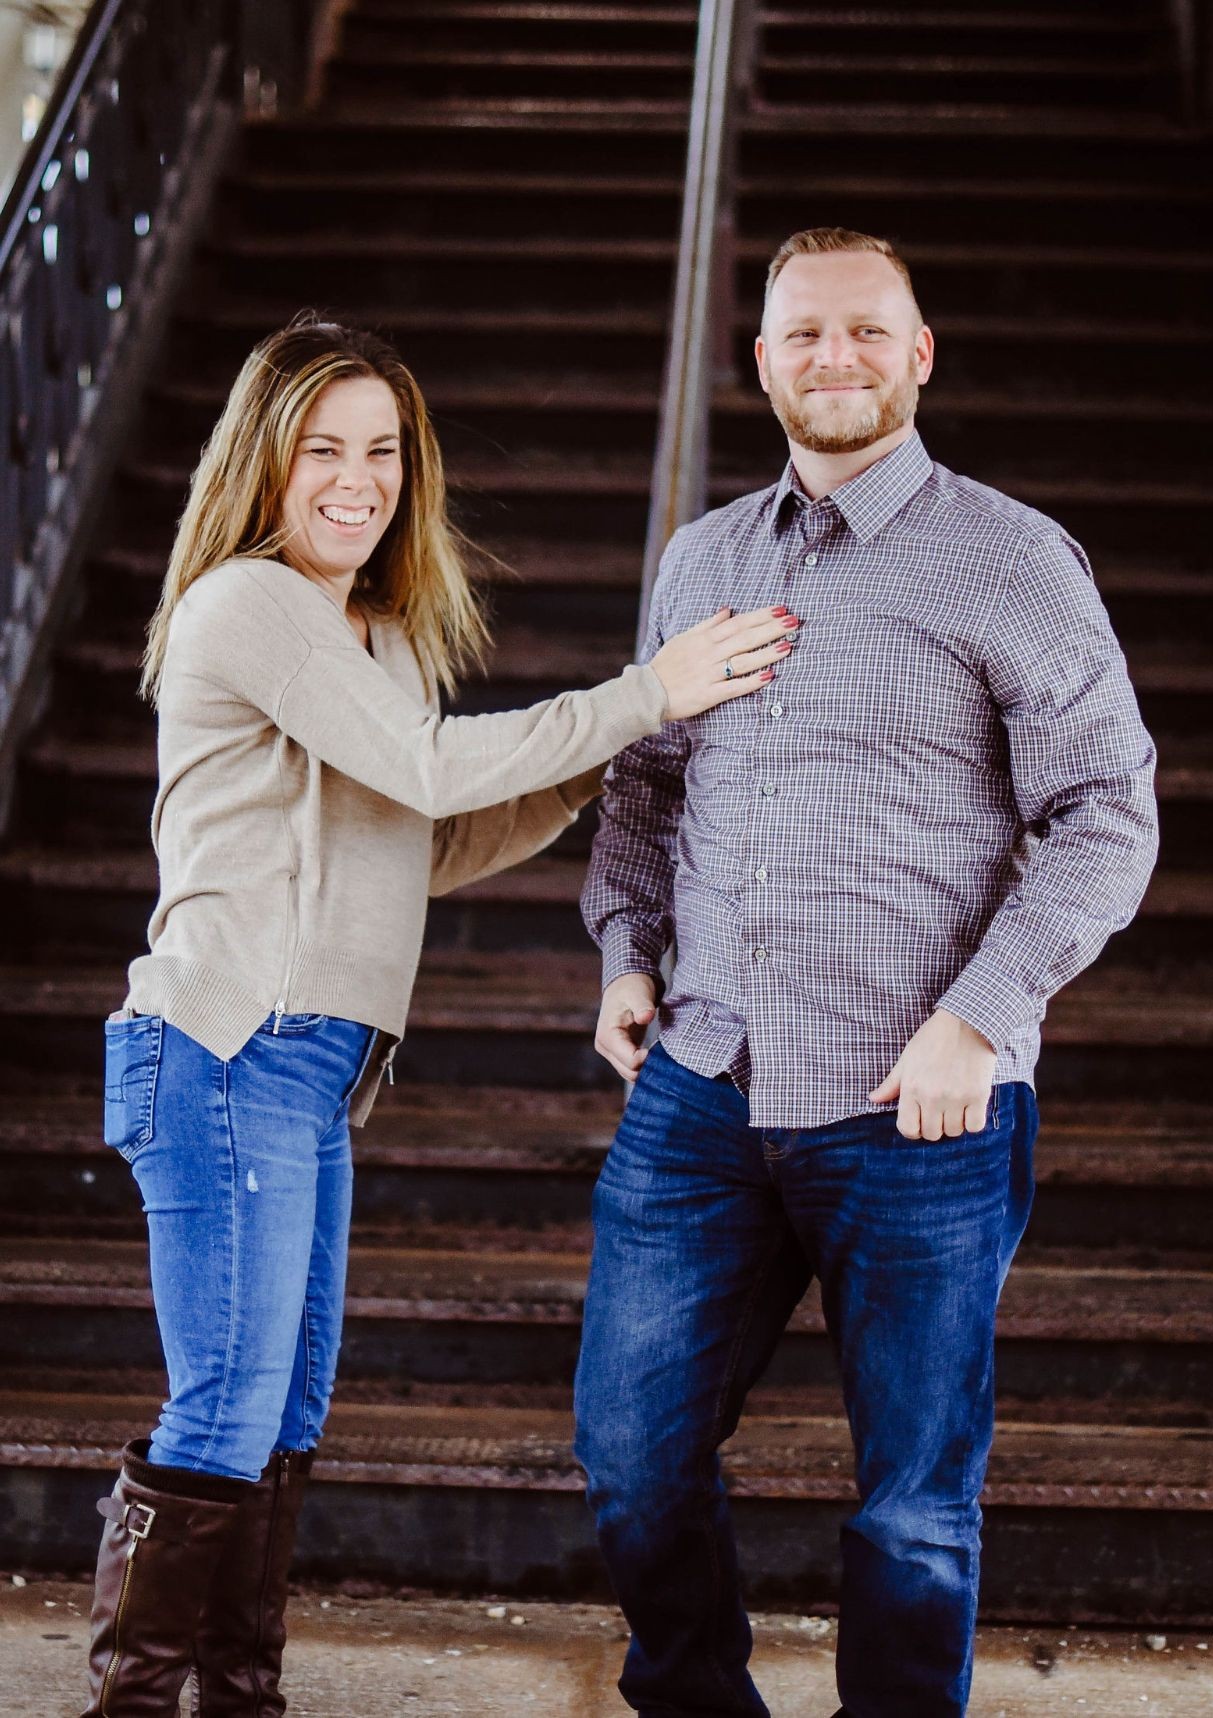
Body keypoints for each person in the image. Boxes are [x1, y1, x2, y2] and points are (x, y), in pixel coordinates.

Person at [82, 315, 793, 1717]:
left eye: (382, 451)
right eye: (322, 449)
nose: (357, 478)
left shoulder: (377, 631)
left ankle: (234, 1694)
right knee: (223, 1408)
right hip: (225, 1046)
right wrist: (645, 690)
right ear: (264, 466)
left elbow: (416, 839)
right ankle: (137, 1702)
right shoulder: (251, 601)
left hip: (308, 1065)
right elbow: (424, 762)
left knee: (281, 1419)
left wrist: (605, 759)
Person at [576, 229, 1160, 1717]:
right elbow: (643, 790)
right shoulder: (699, 559)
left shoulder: (1009, 558)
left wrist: (983, 1010)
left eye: (862, 331)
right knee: (632, 1459)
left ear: (917, 354)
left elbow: (1105, 814)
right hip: (700, 1087)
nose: (831, 356)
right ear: (759, 361)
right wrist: (623, 952)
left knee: (910, 1506)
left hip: (921, 1110)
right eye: (800, 335)